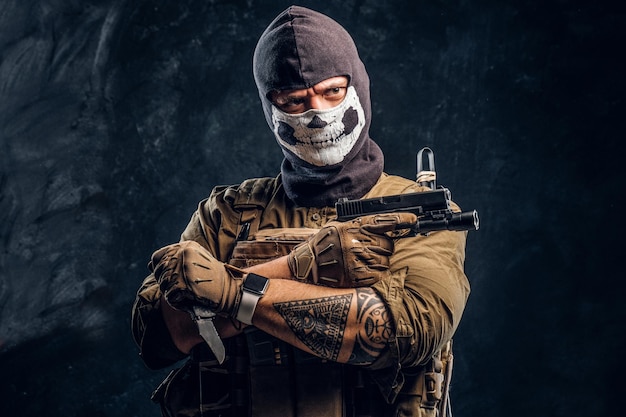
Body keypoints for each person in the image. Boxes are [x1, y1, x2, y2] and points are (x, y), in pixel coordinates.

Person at [131, 5, 470, 417]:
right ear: (269, 108)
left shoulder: (419, 211)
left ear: (357, 86)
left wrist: (233, 292)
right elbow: (158, 337)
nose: (316, 112)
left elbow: (406, 332)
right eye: (294, 100)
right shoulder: (228, 213)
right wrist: (296, 266)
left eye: (332, 91)